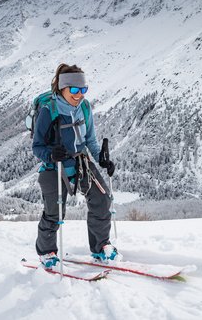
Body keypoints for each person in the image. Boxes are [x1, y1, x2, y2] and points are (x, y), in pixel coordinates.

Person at [32, 63, 121, 268]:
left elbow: (90, 139)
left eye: (83, 89)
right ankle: (47, 252)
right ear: (62, 88)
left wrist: (101, 159)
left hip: (81, 162)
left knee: (102, 199)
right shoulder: (49, 111)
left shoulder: (85, 107)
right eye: (74, 90)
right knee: (54, 212)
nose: (79, 94)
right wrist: (51, 154)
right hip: (55, 166)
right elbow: (37, 147)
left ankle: (101, 247)